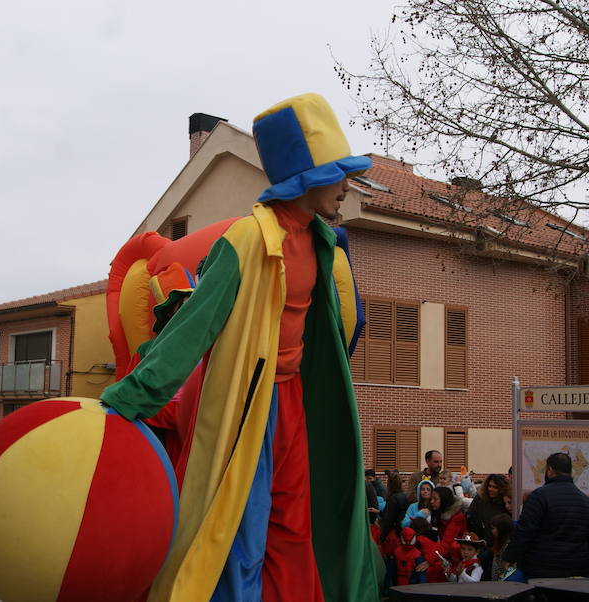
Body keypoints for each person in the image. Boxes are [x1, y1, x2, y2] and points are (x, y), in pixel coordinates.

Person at [99, 93, 379, 601]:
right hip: (251, 405)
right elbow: (193, 328)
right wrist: (130, 397)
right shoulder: (246, 242)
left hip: (297, 401)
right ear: (308, 176)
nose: (346, 187)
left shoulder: (321, 242)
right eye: (338, 173)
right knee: (240, 535)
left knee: (295, 531)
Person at [503, 452, 589, 578]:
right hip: (577, 569)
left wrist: (510, 556)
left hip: (543, 568)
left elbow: (525, 531)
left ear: (550, 470)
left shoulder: (539, 497)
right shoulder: (586, 501)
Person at [465, 474, 510, 546]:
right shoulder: (480, 499)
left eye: (495, 487)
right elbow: (471, 517)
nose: (491, 489)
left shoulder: (505, 504)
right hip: (479, 540)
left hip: (497, 543)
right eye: (490, 486)